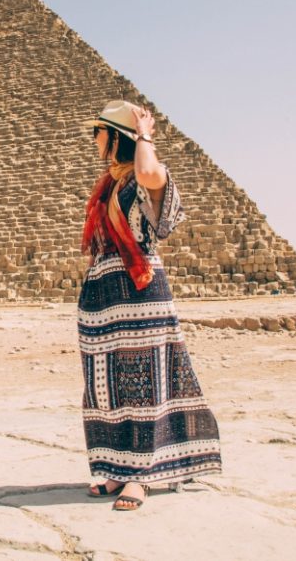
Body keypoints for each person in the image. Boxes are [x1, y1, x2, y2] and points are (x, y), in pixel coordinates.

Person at [78, 100, 222, 511]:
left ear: (116, 136)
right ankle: (114, 467)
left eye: (98, 131)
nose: (93, 139)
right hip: (102, 296)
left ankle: (141, 476)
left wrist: (144, 136)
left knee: (143, 380)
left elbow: (148, 171)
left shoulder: (143, 179)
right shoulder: (107, 183)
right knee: (104, 384)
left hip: (140, 293)